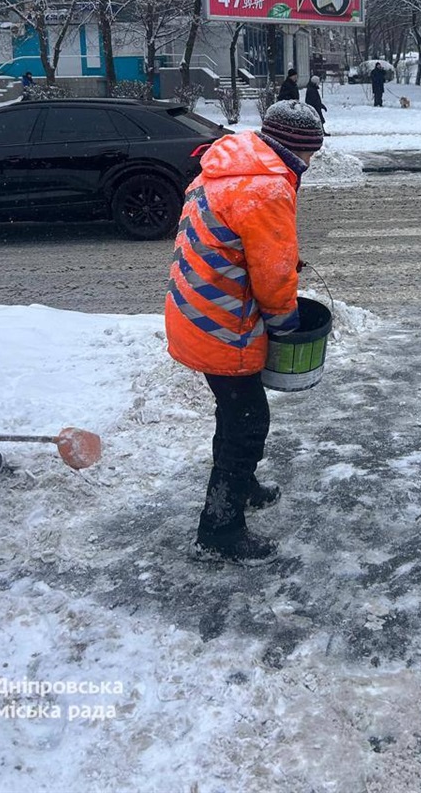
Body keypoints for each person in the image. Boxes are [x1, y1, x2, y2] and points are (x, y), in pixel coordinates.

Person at [164, 100, 325, 565]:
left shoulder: (226, 168)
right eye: (311, 152)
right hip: (223, 323)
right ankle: (219, 529)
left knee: (234, 410)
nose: (311, 161)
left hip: (194, 307)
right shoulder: (268, 188)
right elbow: (274, 278)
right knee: (247, 424)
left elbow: (233, 239)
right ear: (296, 148)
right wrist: (286, 327)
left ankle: (243, 487)